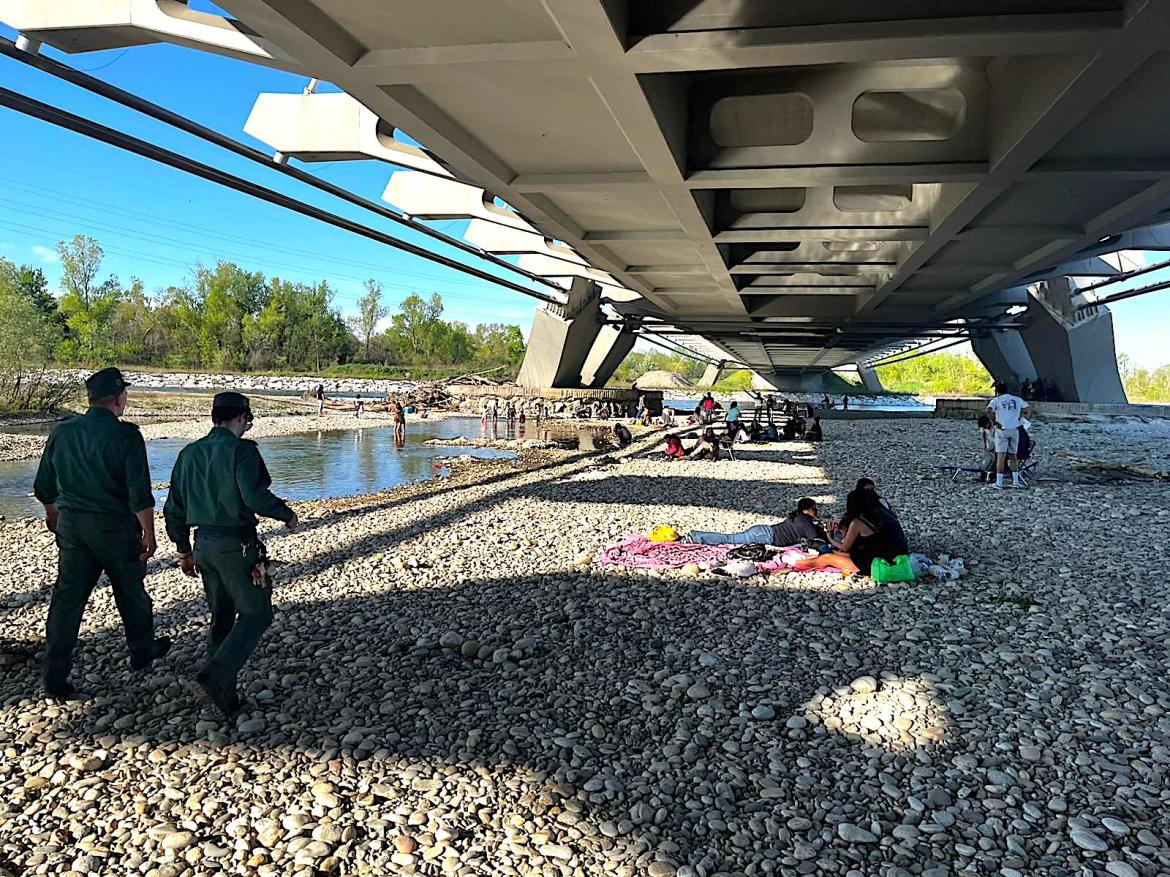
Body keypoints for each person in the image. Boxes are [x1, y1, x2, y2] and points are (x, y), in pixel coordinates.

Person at [32, 368, 171, 700]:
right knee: (130, 590)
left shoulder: (63, 432)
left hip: (72, 526)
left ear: (90, 398)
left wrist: (53, 513)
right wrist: (149, 535)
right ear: (119, 399)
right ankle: (141, 650)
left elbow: (43, 485)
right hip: (114, 527)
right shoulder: (127, 436)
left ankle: (54, 675)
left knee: (67, 600)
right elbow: (139, 494)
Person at [163, 392, 299, 717]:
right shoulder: (242, 451)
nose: (247, 426)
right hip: (236, 545)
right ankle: (215, 676)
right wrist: (286, 515)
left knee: (222, 615)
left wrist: (183, 550)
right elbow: (254, 496)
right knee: (257, 614)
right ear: (240, 417)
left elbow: (173, 508)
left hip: (202, 545)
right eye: (248, 421)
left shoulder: (188, 453)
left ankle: (225, 698)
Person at [798, 490, 908, 576]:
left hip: (869, 564)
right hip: (882, 556)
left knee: (828, 557)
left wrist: (829, 537)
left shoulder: (857, 522)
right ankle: (806, 559)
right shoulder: (878, 516)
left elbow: (844, 547)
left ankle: (796, 562)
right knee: (833, 552)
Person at [688, 497, 827, 546]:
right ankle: (697, 537)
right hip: (765, 536)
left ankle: (697, 536)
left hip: (764, 531)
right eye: (813, 508)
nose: (816, 510)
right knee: (729, 540)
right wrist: (827, 532)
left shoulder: (798, 517)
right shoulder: (805, 521)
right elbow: (816, 539)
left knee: (730, 538)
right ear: (805, 510)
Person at [987, 381, 1031, 489]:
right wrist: (1024, 421)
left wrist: (995, 422)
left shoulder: (996, 400)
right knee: (1013, 456)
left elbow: (988, 410)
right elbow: (1029, 409)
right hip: (1014, 430)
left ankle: (999, 482)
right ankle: (1015, 481)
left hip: (1002, 430)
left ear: (997, 392)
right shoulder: (1016, 399)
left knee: (1001, 456)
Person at [977, 414, 996, 482]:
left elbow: (995, 440)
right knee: (986, 459)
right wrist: (984, 446)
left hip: (996, 446)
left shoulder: (994, 427)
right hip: (988, 446)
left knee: (994, 460)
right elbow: (983, 437)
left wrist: (989, 433)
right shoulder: (983, 428)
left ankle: (992, 475)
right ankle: (983, 474)